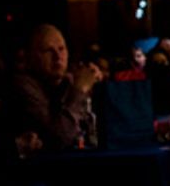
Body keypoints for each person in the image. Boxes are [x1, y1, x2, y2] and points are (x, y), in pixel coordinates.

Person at [7, 24, 103, 155]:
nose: (58, 57)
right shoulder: (22, 85)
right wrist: (79, 90)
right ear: (30, 57)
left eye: (62, 49)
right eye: (48, 51)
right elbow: (60, 137)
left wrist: (96, 85)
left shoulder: (66, 80)